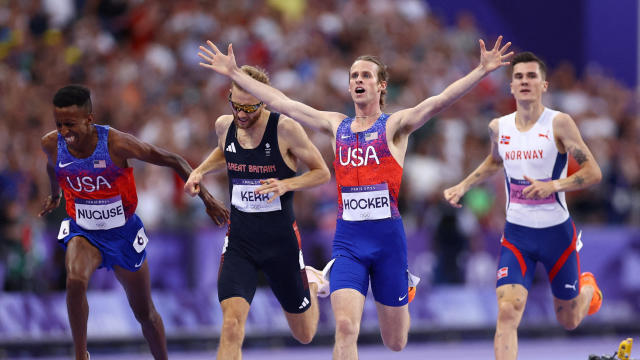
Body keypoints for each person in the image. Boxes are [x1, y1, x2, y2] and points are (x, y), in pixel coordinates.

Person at [197, 36, 513, 359]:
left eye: (366, 76)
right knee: (346, 328)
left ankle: (403, 285)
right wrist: (236, 74)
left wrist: (482, 70)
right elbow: (282, 103)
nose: (358, 80)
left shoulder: (395, 127)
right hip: (349, 242)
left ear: (381, 87)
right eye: (353, 76)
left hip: (388, 241)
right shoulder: (337, 126)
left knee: (396, 341)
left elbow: (439, 101)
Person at [38, 85, 229, 360]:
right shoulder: (51, 143)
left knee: (145, 313)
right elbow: (51, 166)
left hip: (122, 234)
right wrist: (55, 195)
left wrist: (207, 198)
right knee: (75, 280)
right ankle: (81, 355)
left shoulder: (116, 143)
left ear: (89, 119)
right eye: (59, 124)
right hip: (84, 231)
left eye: (70, 124)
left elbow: (173, 160)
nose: (64, 132)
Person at [443, 52, 603, 360]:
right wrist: (463, 185)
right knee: (507, 311)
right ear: (511, 87)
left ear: (544, 84)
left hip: (557, 234)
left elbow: (593, 172)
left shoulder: (559, 123)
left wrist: (553, 185)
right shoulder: (498, 127)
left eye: (531, 76)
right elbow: (494, 160)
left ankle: (588, 289)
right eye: (518, 77)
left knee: (568, 320)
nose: (525, 81)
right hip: (518, 234)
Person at [183, 65, 331, 359]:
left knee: (304, 334)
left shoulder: (285, 129)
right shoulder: (225, 125)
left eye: (249, 108)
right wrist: (199, 170)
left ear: (263, 102)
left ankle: (312, 283)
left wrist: (286, 184)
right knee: (232, 326)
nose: (241, 114)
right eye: (235, 105)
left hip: (281, 245)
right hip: (240, 243)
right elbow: (225, 150)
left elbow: (322, 173)